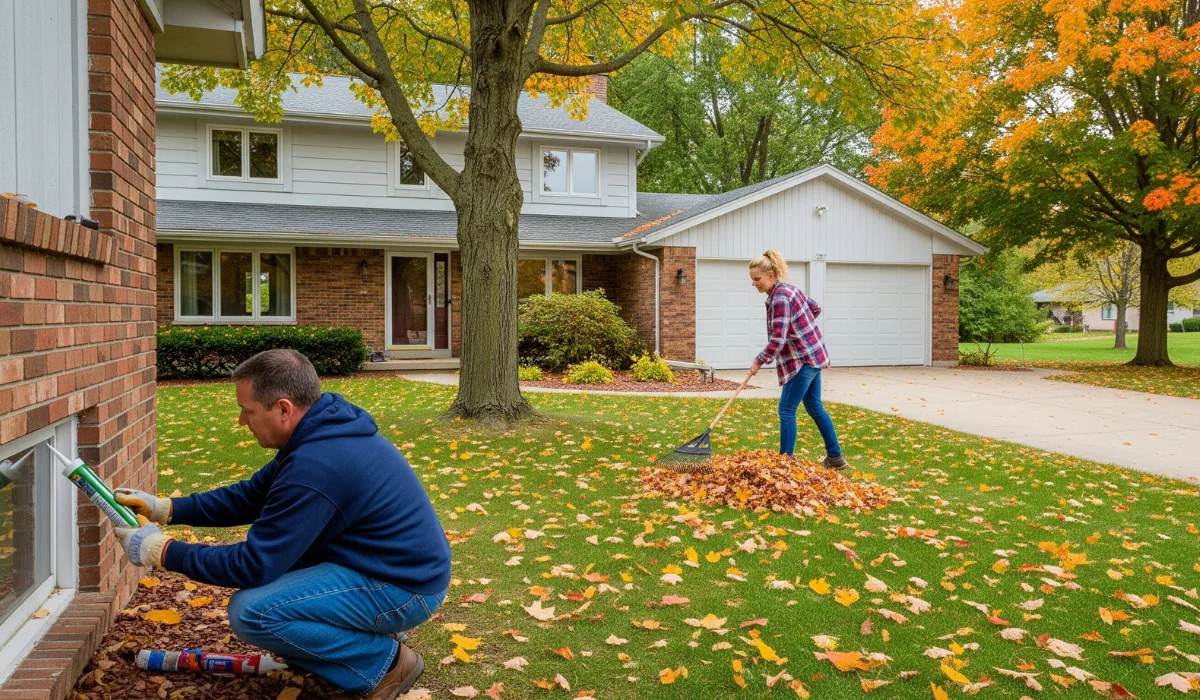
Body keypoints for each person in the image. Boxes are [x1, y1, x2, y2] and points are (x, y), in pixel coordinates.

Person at [113, 349, 450, 699]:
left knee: (254, 612)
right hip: (386, 567)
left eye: (248, 410)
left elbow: (253, 565)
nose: (243, 421)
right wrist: (165, 508)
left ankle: (384, 664)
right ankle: (359, 637)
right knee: (278, 589)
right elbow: (249, 497)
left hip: (404, 588)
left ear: (284, 409)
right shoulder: (319, 432)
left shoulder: (317, 466)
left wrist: (160, 551)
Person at [747, 250, 847, 469]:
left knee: (786, 410)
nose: (754, 283)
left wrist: (758, 360)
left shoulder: (780, 298)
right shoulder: (790, 290)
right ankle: (835, 457)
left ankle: (785, 464)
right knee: (814, 407)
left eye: (757, 279)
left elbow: (778, 339)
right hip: (814, 356)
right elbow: (815, 308)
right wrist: (801, 325)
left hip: (802, 360)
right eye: (752, 279)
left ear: (771, 275)